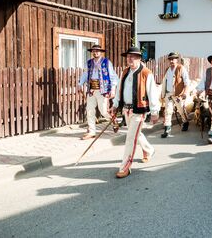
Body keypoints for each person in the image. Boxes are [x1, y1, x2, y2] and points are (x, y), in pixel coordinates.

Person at [111, 47, 160, 178]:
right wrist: (115, 104)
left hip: (139, 110)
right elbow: (119, 89)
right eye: (128, 57)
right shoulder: (125, 72)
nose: (130, 59)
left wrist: (155, 111)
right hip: (126, 109)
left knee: (130, 138)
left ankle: (125, 167)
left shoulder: (146, 73)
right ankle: (149, 150)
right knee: (136, 134)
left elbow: (152, 93)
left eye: (133, 56)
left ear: (139, 58)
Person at [78, 44, 118, 140]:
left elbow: (113, 76)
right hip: (91, 90)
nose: (95, 52)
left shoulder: (107, 62)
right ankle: (92, 131)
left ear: (101, 52)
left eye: (97, 51)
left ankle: (113, 120)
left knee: (103, 111)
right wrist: (79, 84)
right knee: (90, 110)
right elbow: (86, 73)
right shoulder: (89, 62)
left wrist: (113, 89)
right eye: (93, 51)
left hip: (103, 90)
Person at [160, 52, 190, 138]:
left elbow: (187, 82)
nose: (171, 61)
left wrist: (185, 93)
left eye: (173, 59)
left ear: (177, 60)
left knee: (181, 110)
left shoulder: (181, 68)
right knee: (168, 111)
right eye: (170, 59)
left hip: (178, 95)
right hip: (169, 94)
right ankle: (167, 129)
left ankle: (185, 121)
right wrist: (162, 94)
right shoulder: (167, 70)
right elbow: (164, 82)